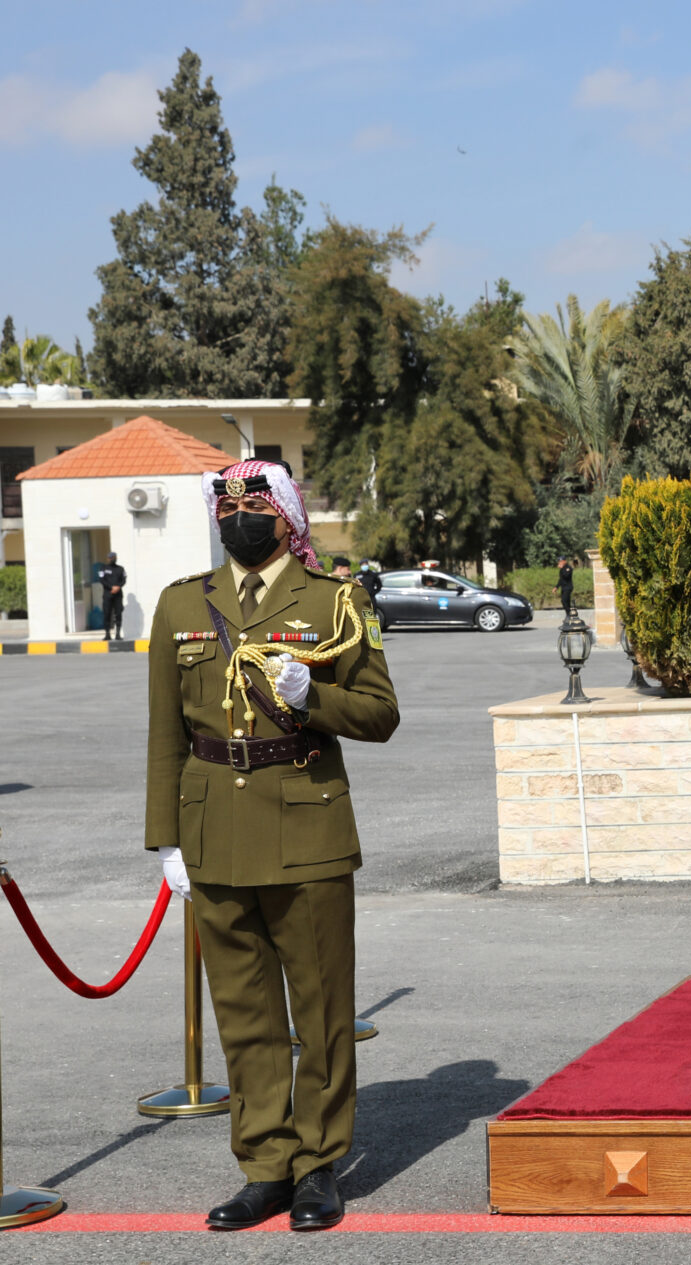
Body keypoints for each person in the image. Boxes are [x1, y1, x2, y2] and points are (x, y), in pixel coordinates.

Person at [144, 459, 399, 1232]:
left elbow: (381, 712)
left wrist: (310, 696)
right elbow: (164, 735)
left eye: (253, 504)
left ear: (287, 515)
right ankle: (265, 1166)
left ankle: (319, 1163)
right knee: (245, 1011)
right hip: (212, 828)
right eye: (226, 507)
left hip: (307, 827)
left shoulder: (335, 602)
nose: (238, 517)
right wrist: (166, 840)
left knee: (320, 1008)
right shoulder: (183, 603)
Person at [97, 551, 127, 640]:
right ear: (108, 558)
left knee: (118, 614)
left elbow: (124, 580)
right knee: (107, 614)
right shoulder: (103, 568)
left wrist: (118, 587)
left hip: (118, 595)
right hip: (107, 595)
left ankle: (118, 634)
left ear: (116, 558)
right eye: (110, 557)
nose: (112, 559)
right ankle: (107, 634)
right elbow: (101, 580)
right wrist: (111, 587)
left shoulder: (121, 569)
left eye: (113, 557)